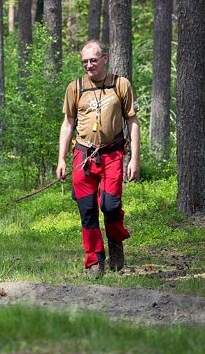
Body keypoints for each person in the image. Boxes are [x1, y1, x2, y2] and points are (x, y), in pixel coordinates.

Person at [56, 40, 140, 277]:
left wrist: (134, 158)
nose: (89, 65)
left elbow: (132, 121)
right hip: (83, 155)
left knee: (110, 206)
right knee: (87, 210)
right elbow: (68, 123)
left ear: (105, 58)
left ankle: (116, 242)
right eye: (85, 61)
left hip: (113, 154)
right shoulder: (75, 87)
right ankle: (94, 260)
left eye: (93, 60)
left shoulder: (120, 84)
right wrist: (61, 159)